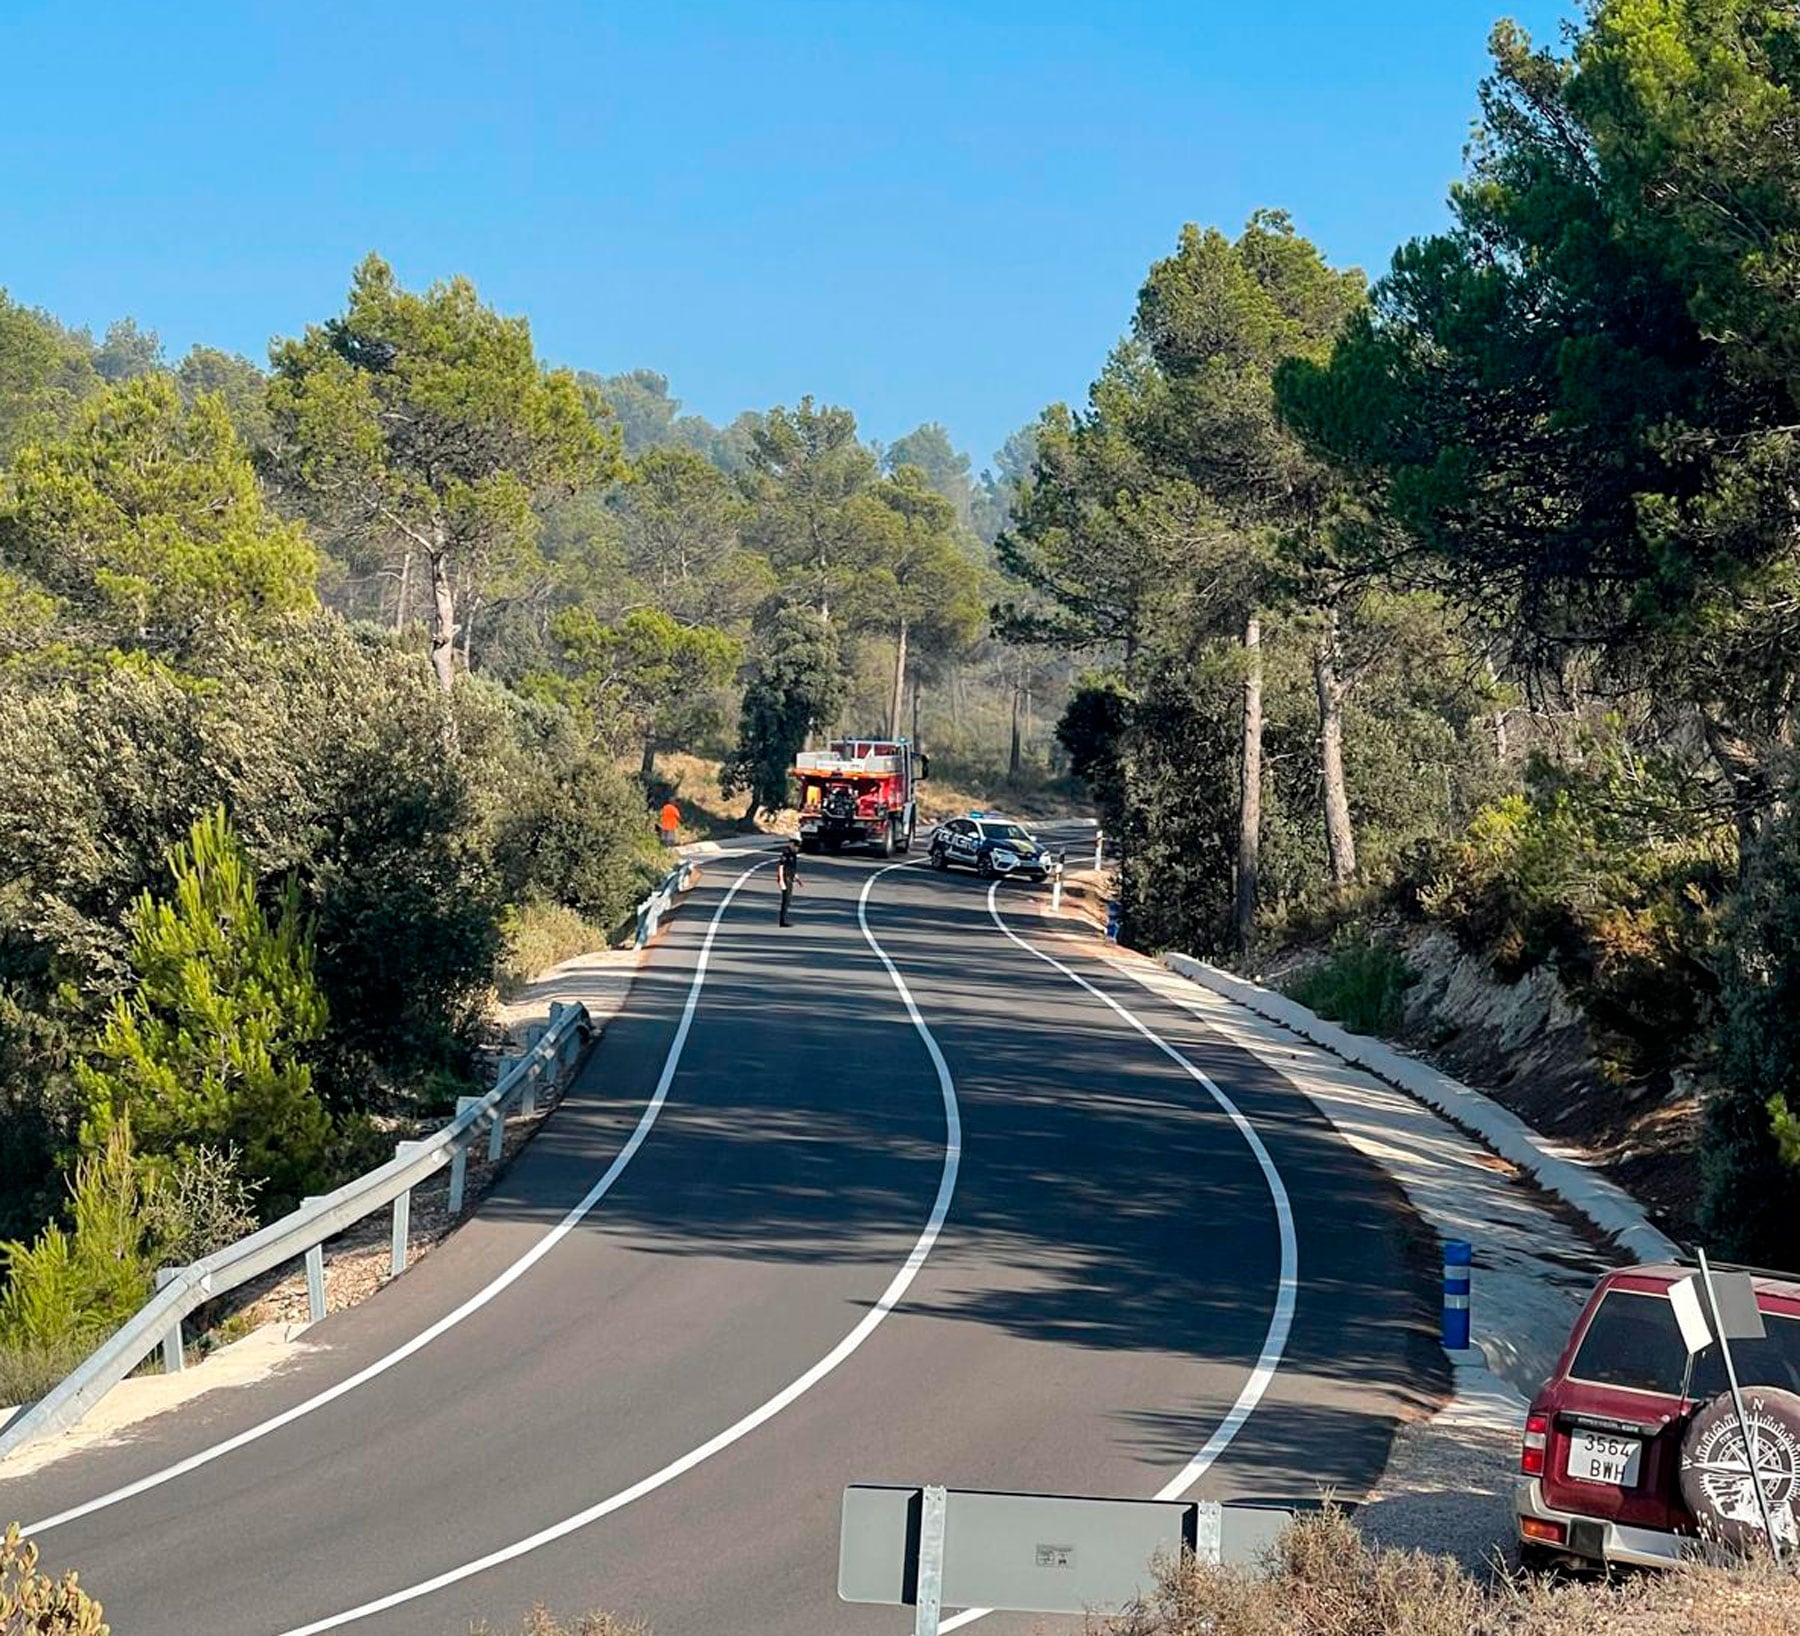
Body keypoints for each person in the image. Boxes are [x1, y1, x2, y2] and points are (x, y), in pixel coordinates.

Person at [776, 841, 801, 926]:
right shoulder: (786, 853)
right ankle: (782, 921)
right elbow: (781, 867)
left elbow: (793, 867)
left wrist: (796, 877)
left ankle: (784, 919)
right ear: (793, 846)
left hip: (790, 878)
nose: (798, 849)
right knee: (785, 900)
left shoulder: (794, 855)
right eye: (797, 847)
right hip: (786, 878)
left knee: (788, 899)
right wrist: (781, 880)